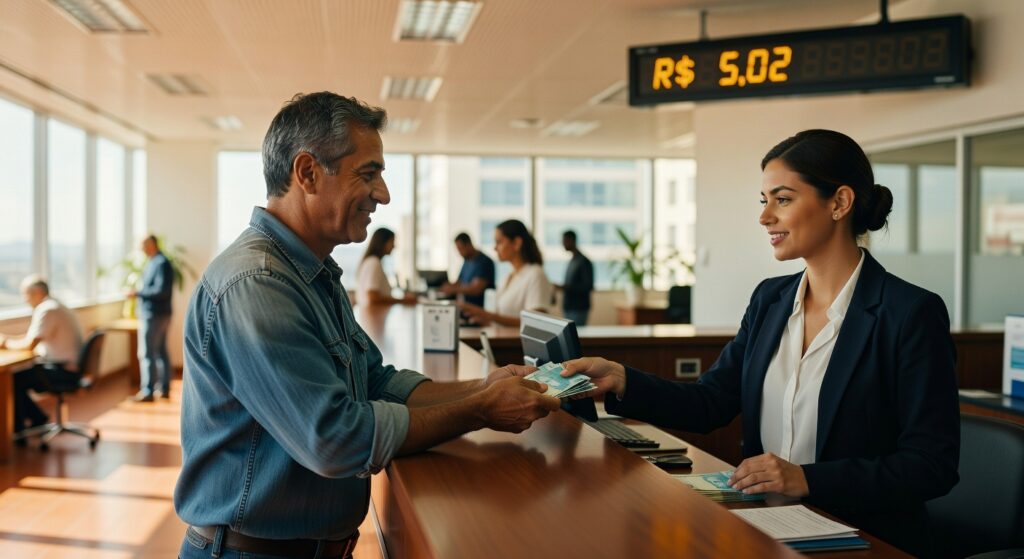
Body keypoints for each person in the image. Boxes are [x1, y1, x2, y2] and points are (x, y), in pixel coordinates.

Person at [174, 92, 560, 559]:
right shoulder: (257, 284)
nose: (383, 194)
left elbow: (375, 383)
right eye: (368, 173)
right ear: (307, 173)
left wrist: (483, 387)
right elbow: (335, 438)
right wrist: (480, 411)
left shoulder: (313, 273)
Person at [558, 129, 960, 557]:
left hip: (864, 541)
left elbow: (931, 465)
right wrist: (622, 380)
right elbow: (711, 401)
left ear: (840, 203)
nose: (765, 216)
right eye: (763, 201)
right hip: (767, 530)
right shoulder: (770, 299)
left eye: (782, 199)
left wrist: (807, 479)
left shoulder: (909, 312)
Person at [0, 276, 84, 432]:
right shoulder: (57, 305)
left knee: (10, 381)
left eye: (26, 294)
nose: (25, 300)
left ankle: (17, 430)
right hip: (68, 366)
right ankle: (36, 418)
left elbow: (29, 345)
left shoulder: (47, 309)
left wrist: (5, 343)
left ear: (37, 292)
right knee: (15, 377)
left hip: (62, 370)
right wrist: (8, 340)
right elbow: (31, 340)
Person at [459, 219, 553, 327]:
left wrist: (488, 315)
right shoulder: (508, 277)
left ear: (517, 243)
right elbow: (501, 319)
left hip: (514, 343)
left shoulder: (535, 274)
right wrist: (484, 319)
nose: (495, 248)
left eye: (499, 242)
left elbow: (535, 324)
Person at [127, 234, 174, 402]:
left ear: (152, 244)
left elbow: (162, 291)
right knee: (160, 351)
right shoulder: (153, 262)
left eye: (143, 245)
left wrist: (138, 293)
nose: (142, 249)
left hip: (155, 314)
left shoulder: (161, 263)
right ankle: (164, 388)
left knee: (147, 353)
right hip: (158, 314)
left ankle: (148, 391)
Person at [355, 227, 415, 306]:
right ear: (382, 242)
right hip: (373, 316)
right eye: (392, 242)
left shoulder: (371, 261)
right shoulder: (374, 262)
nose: (394, 246)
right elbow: (373, 297)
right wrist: (403, 300)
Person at [439, 232, 495, 307]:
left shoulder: (484, 262)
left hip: (479, 310)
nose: (459, 253)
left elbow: (476, 289)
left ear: (469, 245)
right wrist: (446, 286)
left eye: (461, 249)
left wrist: (453, 290)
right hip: (466, 307)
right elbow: (459, 282)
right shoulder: (467, 261)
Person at [558, 230, 594, 326]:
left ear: (571, 240)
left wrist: (565, 287)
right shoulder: (572, 261)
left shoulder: (584, 261)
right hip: (568, 308)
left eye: (564, 241)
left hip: (578, 309)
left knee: (576, 337)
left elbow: (588, 286)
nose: (562, 244)